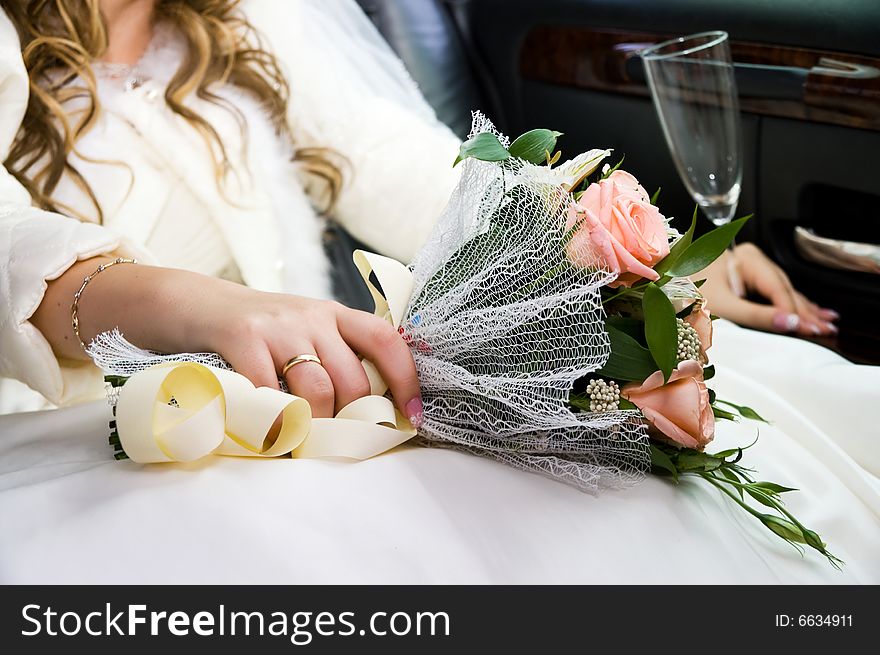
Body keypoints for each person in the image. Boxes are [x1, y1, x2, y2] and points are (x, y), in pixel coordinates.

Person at [0, 0, 837, 416]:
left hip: (315, 417)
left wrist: (617, 249)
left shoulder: (249, 17)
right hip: (94, 439)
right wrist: (186, 304)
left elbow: (399, 167)